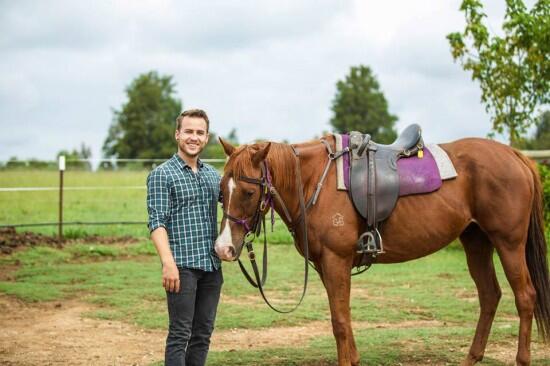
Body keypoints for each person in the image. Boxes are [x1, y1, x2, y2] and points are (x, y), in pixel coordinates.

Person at [146, 109, 222, 366]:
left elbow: (238, 203)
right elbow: (157, 222)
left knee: (202, 335)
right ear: (177, 134)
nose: (194, 137)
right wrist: (168, 263)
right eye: (189, 131)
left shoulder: (213, 175)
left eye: (200, 133)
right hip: (182, 267)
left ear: (207, 138)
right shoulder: (162, 174)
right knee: (180, 334)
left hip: (212, 266)